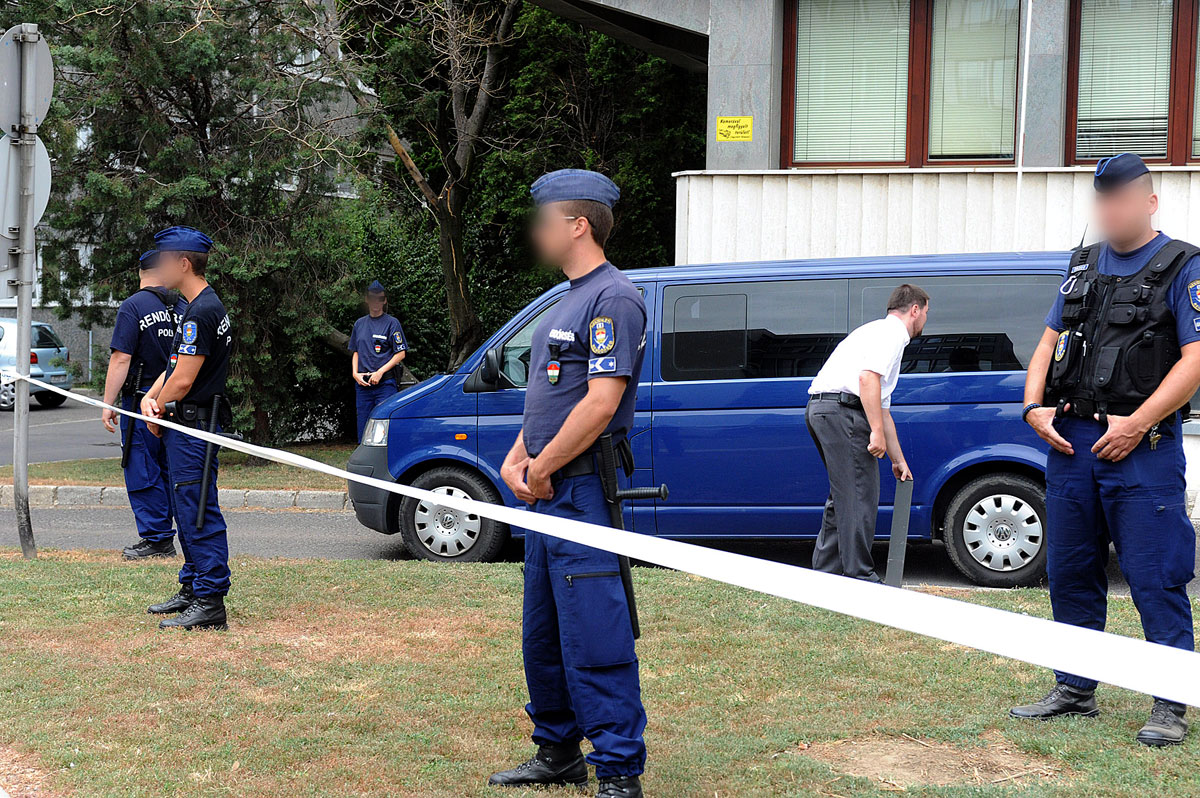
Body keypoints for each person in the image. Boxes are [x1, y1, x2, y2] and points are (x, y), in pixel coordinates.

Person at [1013, 153, 1200, 747]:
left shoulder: (1183, 267)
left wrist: (1136, 423)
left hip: (1142, 448)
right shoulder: (1082, 265)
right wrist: (1032, 407)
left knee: (1155, 575)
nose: (1110, 211)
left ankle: (1172, 700)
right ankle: (1075, 687)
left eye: (1121, 199)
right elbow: (1047, 342)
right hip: (1072, 446)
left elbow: (1196, 361)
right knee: (1070, 572)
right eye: (1102, 200)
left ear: (1148, 202)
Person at [490, 169, 647, 798]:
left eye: (545, 220)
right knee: (545, 631)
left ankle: (617, 769)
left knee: (595, 632)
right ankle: (557, 751)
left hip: (579, 491)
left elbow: (601, 403)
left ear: (577, 224)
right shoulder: (567, 300)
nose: (537, 232)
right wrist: (517, 458)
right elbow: (555, 398)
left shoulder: (615, 298)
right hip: (549, 490)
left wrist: (546, 464)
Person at [139, 226, 234, 632]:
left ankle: (210, 599)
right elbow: (173, 367)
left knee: (197, 511)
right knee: (185, 507)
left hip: (193, 426)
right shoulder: (191, 306)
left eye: (164, 259)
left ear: (183, 263)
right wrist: (150, 398)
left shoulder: (201, 311)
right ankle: (194, 586)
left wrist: (157, 407)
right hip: (183, 422)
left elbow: (184, 380)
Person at [806, 285, 928, 581]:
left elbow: (882, 408)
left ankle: (825, 576)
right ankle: (860, 577)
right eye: (926, 312)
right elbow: (867, 379)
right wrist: (875, 433)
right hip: (842, 412)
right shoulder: (893, 334)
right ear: (914, 310)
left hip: (823, 410)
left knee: (845, 496)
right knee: (860, 495)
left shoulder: (874, 331)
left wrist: (897, 459)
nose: (925, 319)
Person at [101, 249, 186, 560]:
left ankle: (157, 538)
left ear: (141, 272)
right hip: (177, 400)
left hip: (140, 401)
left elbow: (121, 357)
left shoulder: (133, 306)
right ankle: (182, 534)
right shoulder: (184, 306)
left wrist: (108, 403)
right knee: (173, 469)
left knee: (142, 469)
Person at [348, 280, 407, 440]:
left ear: (384, 300)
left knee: (384, 427)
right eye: (373, 298)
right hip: (363, 385)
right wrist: (355, 374)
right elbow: (355, 351)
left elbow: (401, 353)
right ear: (367, 299)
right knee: (364, 428)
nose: (376, 302)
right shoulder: (359, 324)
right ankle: (365, 462)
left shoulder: (392, 323)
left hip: (385, 385)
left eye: (380, 299)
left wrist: (380, 372)